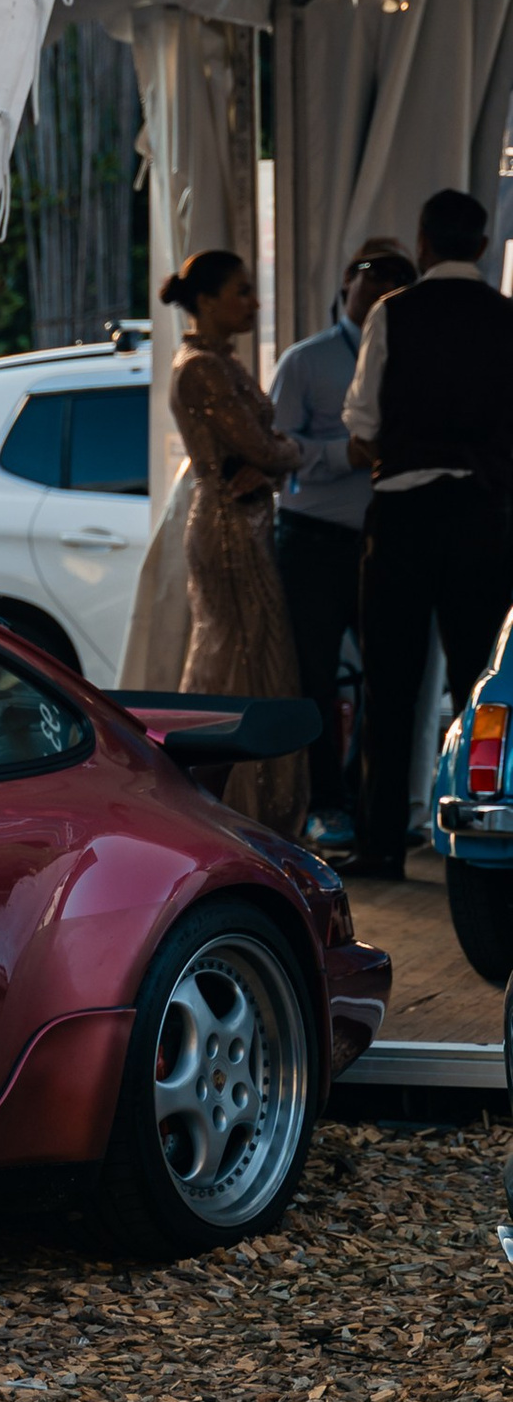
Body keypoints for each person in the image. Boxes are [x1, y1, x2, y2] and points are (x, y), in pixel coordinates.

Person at [343, 184, 513, 880]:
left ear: (422, 242)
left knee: (391, 683)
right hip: (485, 518)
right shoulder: (509, 320)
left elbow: (361, 432)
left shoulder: (393, 313)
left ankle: (383, 842)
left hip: (406, 515)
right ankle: (487, 844)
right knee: (485, 683)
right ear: (481, 245)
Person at [269, 239, 415, 845]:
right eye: (368, 274)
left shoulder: (417, 355)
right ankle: (326, 804)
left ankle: (379, 809)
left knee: (391, 677)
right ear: (345, 285)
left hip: (389, 537)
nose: (380, 286)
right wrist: (341, 453)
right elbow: (275, 449)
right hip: (313, 538)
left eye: (396, 278)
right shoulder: (306, 361)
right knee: (316, 678)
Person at [163, 247, 309, 837]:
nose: (253, 301)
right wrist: (286, 456)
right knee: (239, 657)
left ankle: (240, 805)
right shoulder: (201, 367)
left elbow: (266, 453)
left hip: (241, 517)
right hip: (228, 525)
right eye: (242, 291)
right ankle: (233, 806)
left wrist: (274, 463)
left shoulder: (220, 362)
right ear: (205, 300)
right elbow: (266, 446)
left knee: (246, 655)